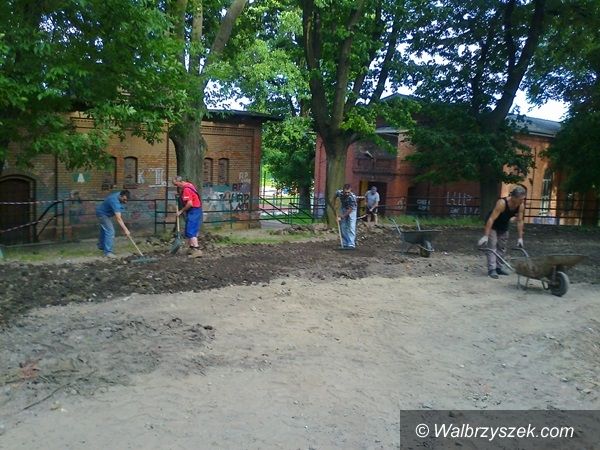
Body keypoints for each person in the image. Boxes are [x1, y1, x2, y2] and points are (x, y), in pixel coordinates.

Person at [478, 185, 527, 279]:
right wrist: (486, 236)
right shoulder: (502, 203)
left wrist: (520, 238)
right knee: (492, 245)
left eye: (523, 199)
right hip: (493, 224)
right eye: (521, 199)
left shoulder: (520, 206)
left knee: (502, 247)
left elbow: (520, 221)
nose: (522, 201)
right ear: (513, 197)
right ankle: (492, 269)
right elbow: (491, 219)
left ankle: (499, 268)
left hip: (504, 225)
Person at [172, 176, 203, 258]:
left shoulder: (186, 189)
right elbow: (191, 196)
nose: (176, 186)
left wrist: (181, 211)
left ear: (180, 182)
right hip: (196, 210)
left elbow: (189, 204)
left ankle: (197, 250)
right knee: (190, 230)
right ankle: (191, 248)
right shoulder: (189, 185)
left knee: (190, 230)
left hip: (194, 210)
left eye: (176, 184)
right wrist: (180, 195)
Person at [96, 190, 131, 258]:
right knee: (110, 231)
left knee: (105, 229)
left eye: (127, 200)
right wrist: (126, 230)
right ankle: (108, 252)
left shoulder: (120, 194)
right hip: (102, 214)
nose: (126, 202)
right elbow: (119, 218)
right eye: (124, 200)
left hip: (104, 213)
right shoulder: (114, 201)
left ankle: (101, 245)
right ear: (120, 196)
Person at [335, 183, 358, 249]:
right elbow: (334, 197)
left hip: (352, 210)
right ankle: (345, 242)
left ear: (350, 190)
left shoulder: (353, 197)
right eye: (346, 192)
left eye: (348, 192)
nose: (347, 194)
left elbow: (350, 209)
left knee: (351, 226)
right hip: (344, 208)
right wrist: (334, 205)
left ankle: (351, 244)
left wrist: (342, 216)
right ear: (343, 190)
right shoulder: (339, 193)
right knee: (343, 226)